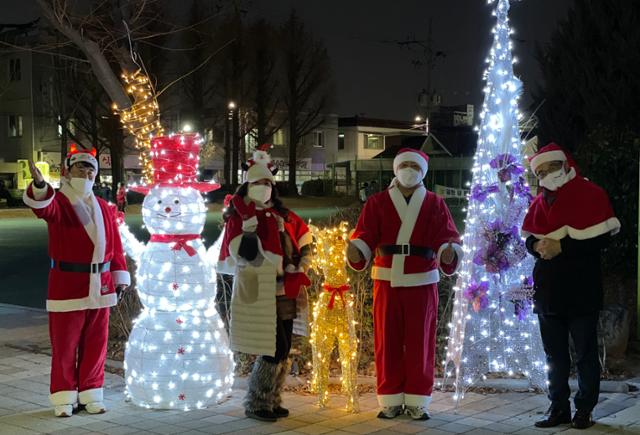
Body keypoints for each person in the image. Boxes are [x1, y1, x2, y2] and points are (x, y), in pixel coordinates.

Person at [346, 148, 462, 420]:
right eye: (404, 165)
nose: (409, 170)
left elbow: (449, 237)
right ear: (396, 169)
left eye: (414, 165)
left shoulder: (435, 203)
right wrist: (358, 249)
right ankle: (390, 398)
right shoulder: (376, 203)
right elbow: (364, 234)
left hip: (422, 280)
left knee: (420, 341)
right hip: (386, 279)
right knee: (387, 340)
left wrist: (449, 251)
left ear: (423, 171)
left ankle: (417, 399)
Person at [22, 148, 130, 418]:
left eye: (91, 169)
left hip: (101, 284)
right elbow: (44, 208)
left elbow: (115, 247)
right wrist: (38, 185)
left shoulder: (105, 207)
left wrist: (119, 275)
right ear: (68, 171)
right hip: (68, 284)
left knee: (96, 343)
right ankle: (64, 395)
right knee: (65, 345)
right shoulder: (60, 202)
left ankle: (92, 391)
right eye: (81, 168)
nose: (87, 172)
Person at [522, 143, 620, 430]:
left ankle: (584, 410)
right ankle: (559, 408)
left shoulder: (592, 194)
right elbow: (529, 237)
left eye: (550, 168)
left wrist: (562, 246)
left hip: (581, 289)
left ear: (564, 164)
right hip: (548, 290)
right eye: (540, 171)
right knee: (554, 356)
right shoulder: (539, 202)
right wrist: (536, 245)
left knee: (585, 354)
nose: (546, 174)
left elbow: (602, 239)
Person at [218, 144, 312, 422]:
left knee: (284, 346)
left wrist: (301, 261)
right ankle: (257, 401)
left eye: (268, 183)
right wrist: (249, 225)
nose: (264, 188)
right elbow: (241, 254)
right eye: (258, 183)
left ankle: (272, 398)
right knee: (273, 347)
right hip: (259, 289)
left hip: (285, 288)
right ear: (247, 185)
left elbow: (304, 240)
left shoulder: (283, 215)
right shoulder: (240, 217)